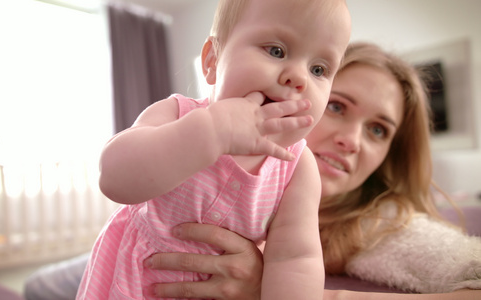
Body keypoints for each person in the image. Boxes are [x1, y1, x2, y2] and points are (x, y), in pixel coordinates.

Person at [24, 42, 481, 299]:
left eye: (379, 131)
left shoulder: (386, 229)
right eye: (338, 107)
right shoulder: (198, 146)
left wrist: (277, 288)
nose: (353, 140)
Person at [76, 0, 351, 299]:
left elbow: (295, 259)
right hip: (131, 284)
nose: (298, 78)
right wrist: (209, 132)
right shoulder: (178, 114)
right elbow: (114, 178)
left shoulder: (297, 167)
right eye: (276, 51)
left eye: (318, 69)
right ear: (212, 62)